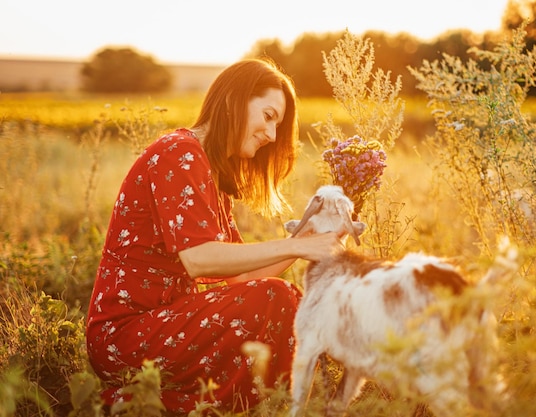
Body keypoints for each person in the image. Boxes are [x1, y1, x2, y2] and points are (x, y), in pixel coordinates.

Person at [85, 58, 344, 415]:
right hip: (125, 335)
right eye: (268, 116)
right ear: (233, 101)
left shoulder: (209, 171)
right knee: (279, 298)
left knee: (282, 302)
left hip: (166, 323)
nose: (271, 135)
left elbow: (238, 276)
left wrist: (306, 240)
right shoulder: (179, 153)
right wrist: (298, 244)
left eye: (277, 125)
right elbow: (199, 259)